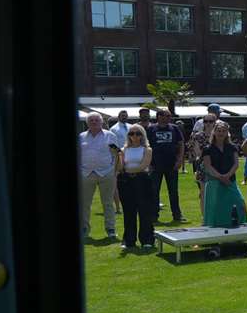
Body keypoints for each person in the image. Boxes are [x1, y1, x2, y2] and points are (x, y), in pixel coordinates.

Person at [78, 112, 122, 240]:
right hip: (86, 174)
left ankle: (111, 229)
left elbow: (116, 154)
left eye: (96, 120)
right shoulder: (81, 137)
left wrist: (115, 172)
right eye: (91, 120)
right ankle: (84, 230)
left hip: (107, 173)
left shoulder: (110, 136)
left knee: (108, 203)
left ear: (101, 122)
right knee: (85, 204)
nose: (94, 122)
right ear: (87, 122)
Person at [114, 123, 155, 253]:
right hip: (126, 182)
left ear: (142, 135)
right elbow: (120, 168)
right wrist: (117, 156)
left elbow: (144, 166)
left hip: (142, 180)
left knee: (144, 210)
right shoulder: (124, 149)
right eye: (131, 133)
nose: (134, 136)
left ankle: (147, 239)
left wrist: (128, 170)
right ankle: (129, 240)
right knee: (128, 211)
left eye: (138, 133)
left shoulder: (147, 149)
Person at [201, 120, 247, 230]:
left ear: (227, 133)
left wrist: (227, 176)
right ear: (214, 132)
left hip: (230, 181)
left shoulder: (233, 147)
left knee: (239, 203)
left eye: (223, 131)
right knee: (215, 208)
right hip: (214, 182)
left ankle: (239, 226)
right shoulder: (208, 148)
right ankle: (212, 230)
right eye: (218, 131)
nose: (221, 133)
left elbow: (236, 164)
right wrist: (220, 177)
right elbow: (208, 166)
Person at [146, 107, 186, 223]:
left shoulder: (174, 128)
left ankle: (177, 215)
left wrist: (179, 160)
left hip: (172, 165)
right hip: (155, 165)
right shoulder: (151, 129)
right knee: (154, 191)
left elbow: (181, 144)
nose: (169, 118)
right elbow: (146, 146)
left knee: (173, 191)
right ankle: (154, 216)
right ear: (159, 116)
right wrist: (148, 163)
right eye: (166, 116)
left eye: (169, 116)